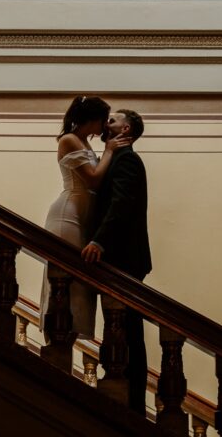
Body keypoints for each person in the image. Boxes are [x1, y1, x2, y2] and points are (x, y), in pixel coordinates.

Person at [40, 96, 131, 338]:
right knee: (65, 282)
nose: (105, 126)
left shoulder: (85, 143)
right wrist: (110, 151)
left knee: (81, 285)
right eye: (104, 120)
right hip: (68, 214)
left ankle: (69, 334)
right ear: (94, 119)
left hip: (84, 215)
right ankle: (57, 333)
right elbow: (92, 178)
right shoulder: (69, 140)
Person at [82, 109, 151, 417]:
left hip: (122, 256)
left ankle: (132, 402)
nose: (105, 122)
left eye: (113, 120)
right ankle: (125, 393)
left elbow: (121, 203)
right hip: (119, 256)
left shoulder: (128, 161)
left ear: (127, 129)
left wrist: (99, 240)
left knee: (128, 330)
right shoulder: (115, 159)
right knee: (119, 327)